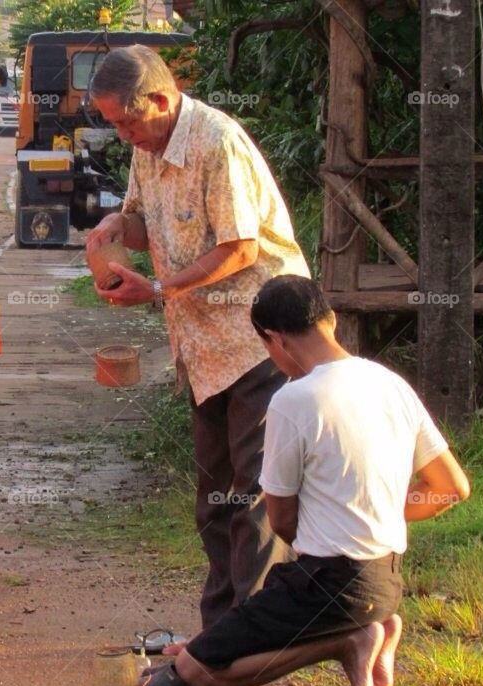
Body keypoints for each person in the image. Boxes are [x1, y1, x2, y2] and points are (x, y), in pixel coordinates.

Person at [138, 274, 471, 686]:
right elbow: (452, 487)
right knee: (209, 650)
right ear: (329, 320)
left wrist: (333, 538)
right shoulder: (390, 383)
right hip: (385, 580)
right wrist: (376, 513)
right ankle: (367, 626)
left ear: (274, 340)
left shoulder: (293, 400)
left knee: (191, 674)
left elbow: (282, 520)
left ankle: (349, 640)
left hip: (326, 580)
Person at [86, 45, 311, 627]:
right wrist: (116, 225)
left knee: (254, 497)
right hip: (202, 347)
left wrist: (160, 288)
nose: (123, 133)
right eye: (113, 123)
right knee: (215, 501)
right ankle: (222, 632)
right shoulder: (148, 146)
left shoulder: (216, 142)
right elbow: (144, 224)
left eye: (127, 121)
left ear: (160, 100)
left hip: (260, 340)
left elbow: (240, 248)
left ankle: (252, 637)